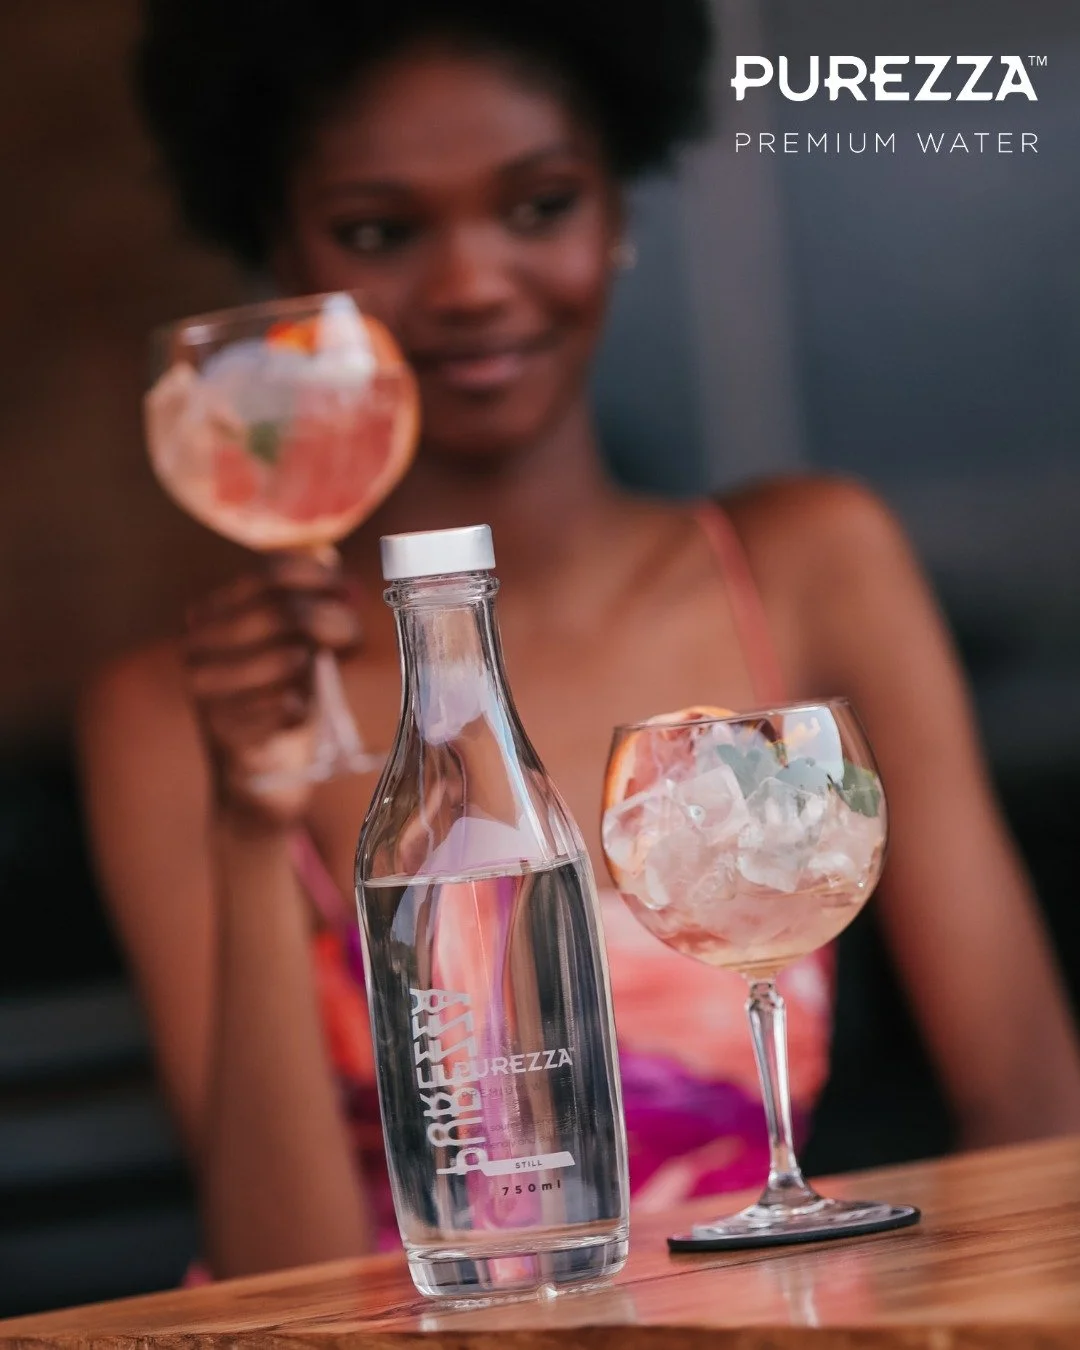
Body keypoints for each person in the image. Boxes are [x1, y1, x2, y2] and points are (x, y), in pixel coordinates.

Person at [78, 0, 1080, 1280]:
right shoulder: (184, 710)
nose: (472, 284)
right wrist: (243, 821)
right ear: (280, 257)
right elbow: (272, 1280)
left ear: (619, 216)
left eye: (540, 205)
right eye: (382, 231)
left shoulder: (813, 570)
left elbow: (1035, 1113)